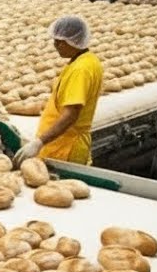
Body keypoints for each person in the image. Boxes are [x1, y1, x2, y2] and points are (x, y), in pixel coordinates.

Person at [15, 15, 103, 166]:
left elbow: (70, 115)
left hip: (65, 146)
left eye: (60, 42)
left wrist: (39, 142)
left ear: (73, 41)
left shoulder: (80, 70)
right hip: (62, 142)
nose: (55, 45)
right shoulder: (88, 60)